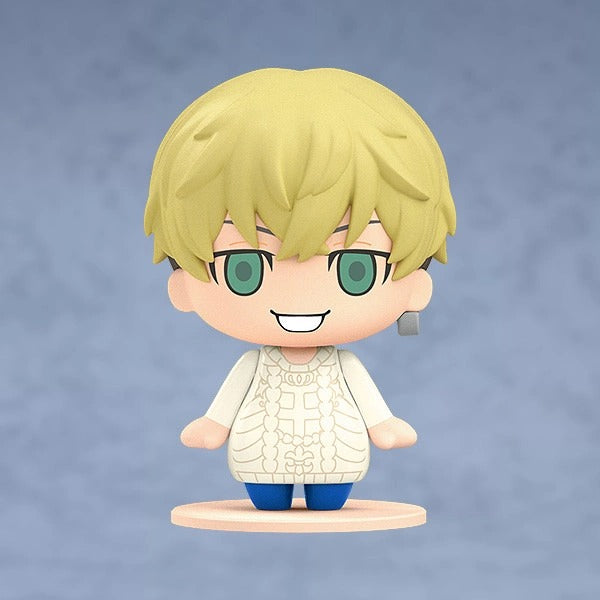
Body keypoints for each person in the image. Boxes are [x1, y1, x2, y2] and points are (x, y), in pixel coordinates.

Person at [144, 68, 456, 510]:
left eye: (355, 269)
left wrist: (383, 424)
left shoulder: (344, 366)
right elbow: (227, 403)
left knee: (330, 499)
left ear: (416, 288)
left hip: (337, 456)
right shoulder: (253, 366)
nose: (300, 300)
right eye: (244, 269)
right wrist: (214, 425)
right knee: (266, 498)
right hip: (260, 457)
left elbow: (371, 406)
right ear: (184, 287)